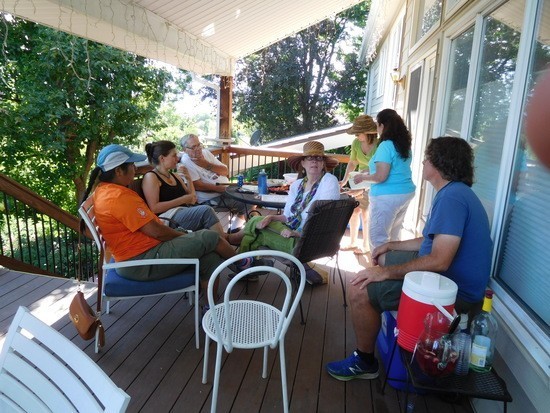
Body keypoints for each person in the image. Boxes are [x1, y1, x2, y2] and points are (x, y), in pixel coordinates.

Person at [326, 136, 493, 381]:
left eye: (427, 158)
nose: (423, 162)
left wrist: (385, 273)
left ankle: (365, 361)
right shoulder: (454, 193)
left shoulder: (452, 198)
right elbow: (428, 241)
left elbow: (439, 260)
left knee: (359, 288)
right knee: (381, 259)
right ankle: (380, 315)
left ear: (439, 164)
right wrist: (390, 245)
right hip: (440, 280)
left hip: (451, 293)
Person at [80, 144, 255, 295]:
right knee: (209, 237)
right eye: (132, 165)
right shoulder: (117, 197)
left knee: (208, 258)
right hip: (141, 262)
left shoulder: (106, 190)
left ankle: (210, 307)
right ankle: (243, 265)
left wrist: (183, 234)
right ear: (118, 171)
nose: (135, 169)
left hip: (143, 253)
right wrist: (182, 236)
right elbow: (155, 231)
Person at [227, 141, 340, 283]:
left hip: (308, 242)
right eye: (310, 158)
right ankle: (249, 267)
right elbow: (288, 217)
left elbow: (325, 220)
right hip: (291, 233)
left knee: (255, 229)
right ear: (303, 163)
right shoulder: (297, 185)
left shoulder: (329, 181)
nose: (314, 161)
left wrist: (297, 233)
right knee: (259, 224)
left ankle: (242, 263)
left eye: (318, 158)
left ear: (323, 163)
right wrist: (272, 217)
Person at [352, 108, 416, 251]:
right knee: (394, 236)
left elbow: (381, 176)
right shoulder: (403, 145)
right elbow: (393, 167)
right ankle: (391, 268)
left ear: (382, 126)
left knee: (378, 239)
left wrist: (363, 177)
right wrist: (368, 170)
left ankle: (378, 271)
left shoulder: (386, 145)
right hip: (405, 194)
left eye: (377, 125)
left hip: (387, 197)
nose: (377, 129)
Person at [142, 140, 228, 238]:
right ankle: (225, 240)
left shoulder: (174, 176)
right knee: (206, 211)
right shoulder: (151, 177)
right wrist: (183, 200)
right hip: (168, 218)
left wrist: (188, 177)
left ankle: (223, 241)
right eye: (174, 155)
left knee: (207, 222)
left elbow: (192, 198)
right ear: (162, 158)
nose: (177, 158)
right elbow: (154, 208)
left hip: (185, 212)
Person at [179, 133, 248, 232]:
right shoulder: (186, 161)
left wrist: (206, 164)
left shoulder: (206, 153)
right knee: (245, 202)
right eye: (193, 147)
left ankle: (235, 229)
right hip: (211, 198)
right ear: (185, 150)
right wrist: (218, 189)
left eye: (199, 145)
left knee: (249, 195)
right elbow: (197, 185)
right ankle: (245, 230)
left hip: (225, 190)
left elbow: (225, 171)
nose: (198, 149)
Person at [339, 114, 379, 255]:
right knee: (354, 210)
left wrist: (365, 178)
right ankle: (353, 242)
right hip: (358, 180)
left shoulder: (379, 144)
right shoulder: (356, 143)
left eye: (358, 133)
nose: (356, 135)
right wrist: (344, 180)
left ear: (367, 132)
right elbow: (352, 163)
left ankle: (366, 245)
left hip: (374, 180)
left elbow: (379, 167)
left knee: (366, 213)